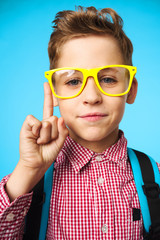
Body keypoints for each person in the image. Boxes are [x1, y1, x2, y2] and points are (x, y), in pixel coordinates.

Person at [0, 6, 159, 240]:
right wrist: (28, 169)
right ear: (54, 92)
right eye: (74, 81)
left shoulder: (153, 176)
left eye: (108, 79)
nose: (92, 97)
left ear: (131, 90)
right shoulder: (31, 180)